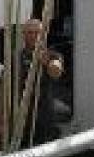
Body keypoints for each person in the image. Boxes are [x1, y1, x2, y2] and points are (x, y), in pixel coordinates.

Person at [18, 17, 66, 145]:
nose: (33, 36)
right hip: (21, 115)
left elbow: (57, 72)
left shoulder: (53, 55)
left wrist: (47, 63)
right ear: (24, 35)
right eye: (30, 32)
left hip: (43, 114)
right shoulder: (16, 58)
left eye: (37, 32)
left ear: (43, 35)